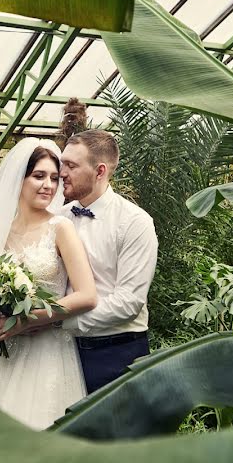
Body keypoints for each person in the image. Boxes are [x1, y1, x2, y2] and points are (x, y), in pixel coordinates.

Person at [0, 138, 97, 430]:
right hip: (0, 357)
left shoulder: (61, 228)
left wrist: (25, 321)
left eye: (54, 178)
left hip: (46, 355)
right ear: (21, 178)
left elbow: (87, 296)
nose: (49, 185)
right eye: (39, 176)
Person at [58, 129, 158, 394]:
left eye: (71, 165)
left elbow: (129, 303)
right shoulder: (59, 217)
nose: (61, 173)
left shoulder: (134, 222)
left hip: (117, 354)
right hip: (59, 353)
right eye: (61, 163)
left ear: (100, 171)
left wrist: (56, 321)